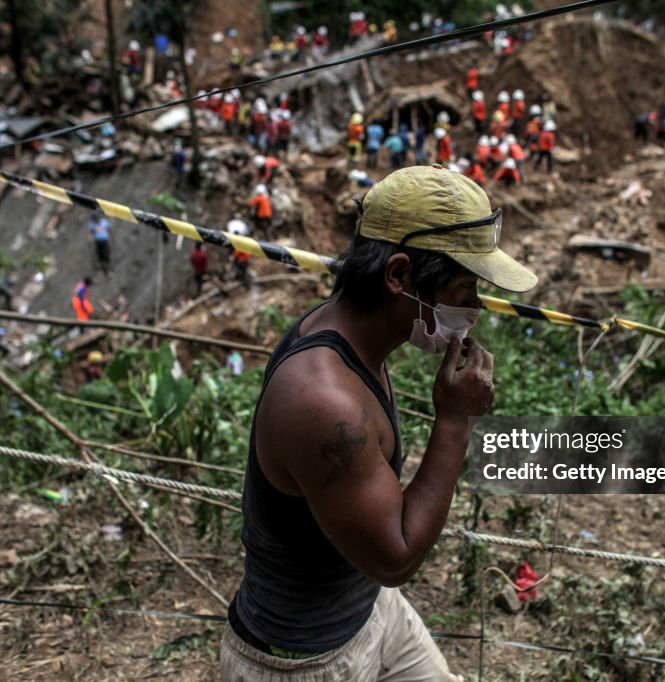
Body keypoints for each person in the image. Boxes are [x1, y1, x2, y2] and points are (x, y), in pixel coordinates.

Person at [220, 165, 536, 680]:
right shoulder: (323, 402)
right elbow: (397, 557)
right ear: (398, 276)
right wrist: (454, 421)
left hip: (371, 611)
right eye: (463, 288)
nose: (475, 306)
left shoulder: (349, 333)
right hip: (307, 663)